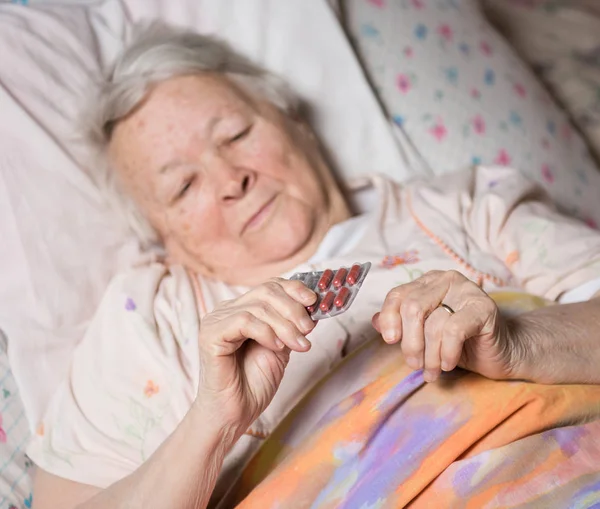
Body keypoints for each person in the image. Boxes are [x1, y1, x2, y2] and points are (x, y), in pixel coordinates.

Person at [29, 23, 600, 509]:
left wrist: (517, 343)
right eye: (183, 186)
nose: (231, 179)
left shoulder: (465, 208)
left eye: (235, 134)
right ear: (164, 239)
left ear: (292, 120)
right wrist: (211, 425)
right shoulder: (145, 320)